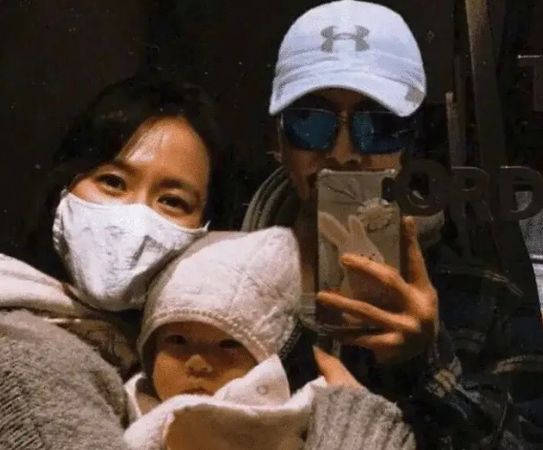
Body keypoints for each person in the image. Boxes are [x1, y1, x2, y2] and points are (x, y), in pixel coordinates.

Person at [242, 1, 543, 447]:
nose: (343, 153)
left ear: (409, 144)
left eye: (379, 126)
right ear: (278, 140)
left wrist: (428, 366)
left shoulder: (488, 302)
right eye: (310, 123)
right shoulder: (221, 284)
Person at [0, 76, 223, 449]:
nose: (134, 220)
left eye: (172, 201)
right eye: (113, 182)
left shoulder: (161, 362)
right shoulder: (24, 353)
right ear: (63, 189)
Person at [124, 227, 416, 450]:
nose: (198, 363)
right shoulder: (125, 406)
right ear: (150, 348)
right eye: (177, 341)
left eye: (229, 344)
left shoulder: (298, 418)